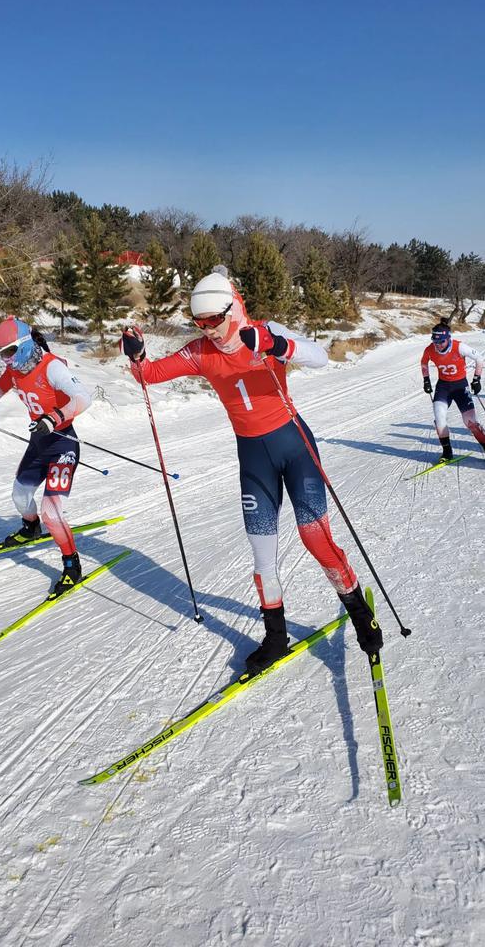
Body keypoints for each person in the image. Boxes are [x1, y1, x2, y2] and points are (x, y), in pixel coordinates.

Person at [121, 268, 382, 674]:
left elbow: (320, 356)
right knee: (262, 555)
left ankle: (359, 611)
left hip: (294, 447)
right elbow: (149, 375)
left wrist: (277, 345)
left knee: (316, 540)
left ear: (233, 308)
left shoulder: (263, 331)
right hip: (253, 458)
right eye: (199, 323)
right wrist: (137, 354)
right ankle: (276, 637)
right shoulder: (200, 352)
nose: (208, 330)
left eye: (214, 320)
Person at [0, 316, 92, 596]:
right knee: (20, 496)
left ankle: (71, 564)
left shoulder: (51, 366)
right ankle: (31, 527)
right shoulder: (17, 369)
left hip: (63, 444)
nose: (5, 359)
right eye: (0, 354)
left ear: (23, 345)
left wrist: (54, 418)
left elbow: (83, 397)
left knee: (52, 513)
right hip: (39, 443)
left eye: (8, 352)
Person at [421, 319, 485, 462]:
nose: (438, 345)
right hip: (443, 387)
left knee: (470, 422)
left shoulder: (459, 347)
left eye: (441, 342)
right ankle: (447, 452)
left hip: (460, 387)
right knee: (439, 420)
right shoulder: (430, 349)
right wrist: (426, 379)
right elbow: (424, 362)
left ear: (448, 338)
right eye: (435, 342)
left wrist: (476, 378)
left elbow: (479, 358)